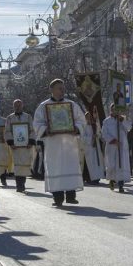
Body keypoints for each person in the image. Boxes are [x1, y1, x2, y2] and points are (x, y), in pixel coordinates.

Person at [33, 79, 86, 207]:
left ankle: (71, 196)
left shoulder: (71, 105)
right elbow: (37, 123)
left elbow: (82, 120)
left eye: (63, 88)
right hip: (53, 144)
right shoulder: (43, 106)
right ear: (52, 90)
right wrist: (47, 131)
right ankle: (57, 198)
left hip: (69, 142)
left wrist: (76, 128)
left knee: (70, 166)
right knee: (55, 168)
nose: (62, 91)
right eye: (59, 88)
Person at [5, 99, 36, 193]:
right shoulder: (10, 118)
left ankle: (23, 184)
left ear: (22, 105)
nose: (18, 107)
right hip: (16, 146)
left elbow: (32, 129)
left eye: (19, 105)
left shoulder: (28, 117)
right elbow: (7, 131)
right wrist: (11, 143)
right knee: (18, 166)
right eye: (16, 105)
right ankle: (19, 186)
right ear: (13, 106)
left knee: (25, 165)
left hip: (26, 145)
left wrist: (31, 141)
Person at [102, 104, 131, 193]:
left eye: (117, 110)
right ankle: (112, 180)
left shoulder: (122, 119)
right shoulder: (107, 121)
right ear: (111, 110)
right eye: (113, 109)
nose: (115, 111)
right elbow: (104, 133)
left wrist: (122, 121)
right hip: (112, 146)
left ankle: (121, 185)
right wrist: (113, 140)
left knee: (121, 165)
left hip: (121, 146)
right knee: (112, 165)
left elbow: (129, 127)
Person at [82, 111, 104, 185]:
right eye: (87, 118)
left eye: (90, 117)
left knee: (97, 163)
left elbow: (100, 134)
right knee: (90, 163)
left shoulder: (95, 126)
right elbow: (82, 137)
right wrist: (91, 138)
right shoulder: (83, 126)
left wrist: (97, 135)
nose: (88, 119)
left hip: (96, 147)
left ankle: (97, 177)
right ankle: (89, 178)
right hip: (89, 147)